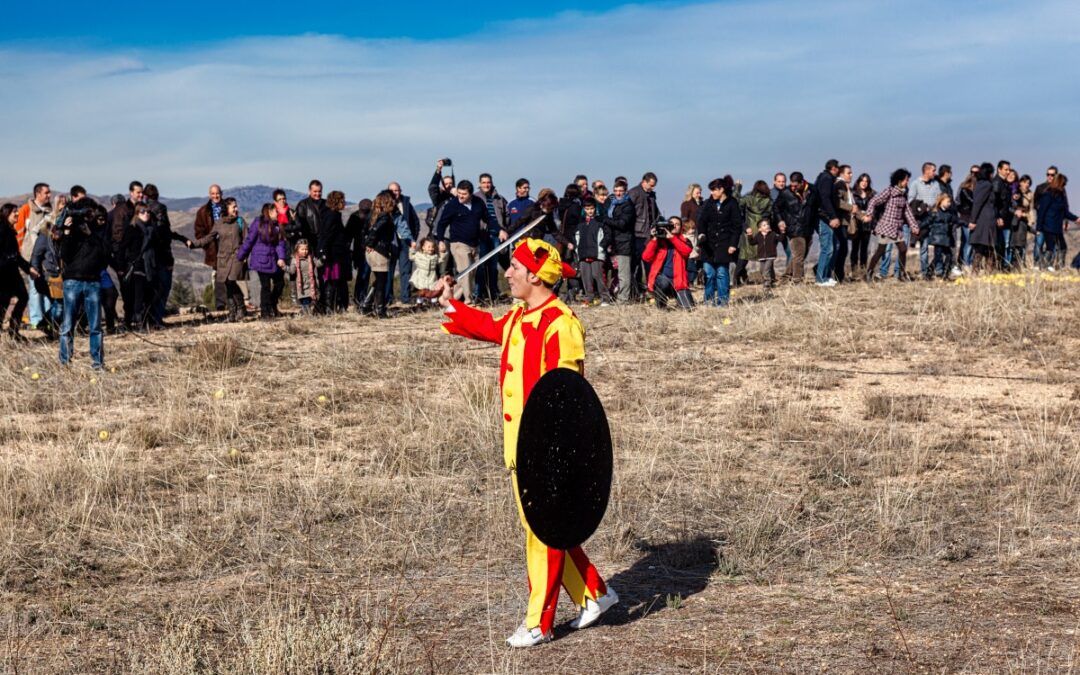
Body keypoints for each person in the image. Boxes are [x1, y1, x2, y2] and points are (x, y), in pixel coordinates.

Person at [435, 237, 617, 648]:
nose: (508, 273)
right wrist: (450, 303)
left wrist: (560, 452)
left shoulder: (561, 324)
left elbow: (569, 396)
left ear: (535, 275)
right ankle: (595, 594)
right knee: (542, 525)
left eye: (514, 267)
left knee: (542, 531)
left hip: (547, 448)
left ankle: (539, 621)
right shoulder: (519, 317)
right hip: (517, 443)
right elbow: (489, 327)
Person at [55, 194, 109, 368]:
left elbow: (104, 255)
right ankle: (64, 362)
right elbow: (64, 255)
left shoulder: (99, 232)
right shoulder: (73, 231)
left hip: (93, 281)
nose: (88, 217)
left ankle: (98, 363)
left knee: (95, 326)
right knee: (67, 325)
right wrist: (67, 232)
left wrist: (91, 233)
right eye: (86, 213)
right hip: (72, 281)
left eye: (90, 213)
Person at [435, 179, 498, 304]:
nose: (461, 196)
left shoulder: (478, 203)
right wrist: (440, 240)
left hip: (475, 244)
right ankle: (469, 302)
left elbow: (488, 218)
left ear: (470, 194)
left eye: (464, 194)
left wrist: (499, 230)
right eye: (459, 193)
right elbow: (441, 224)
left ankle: (448, 300)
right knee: (466, 273)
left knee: (468, 276)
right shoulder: (452, 205)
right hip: (459, 244)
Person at [188, 197, 248, 322]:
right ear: (226, 209)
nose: (236, 209)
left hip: (237, 257)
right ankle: (232, 313)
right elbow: (208, 238)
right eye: (233, 207)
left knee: (231, 281)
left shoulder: (240, 222)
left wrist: (245, 255)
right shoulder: (219, 223)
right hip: (223, 259)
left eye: (236, 206)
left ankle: (241, 309)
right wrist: (194, 244)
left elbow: (247, 240)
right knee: (227, 284)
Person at [864, 169, 919, 281]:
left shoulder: (904, 194)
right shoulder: (889, 191)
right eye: (906, 180)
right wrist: (869, 214)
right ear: (899, 180)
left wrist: (914, 226)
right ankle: (869, 273)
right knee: (881, 250)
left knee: (903, 249)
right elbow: (874, 201)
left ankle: (901, 274)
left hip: (897, 228)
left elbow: (907, 211)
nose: (907, 182)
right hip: (886, 226)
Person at [238, 203, 287, 320]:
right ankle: (265, 313)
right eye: (276, 212)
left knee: (280, 283)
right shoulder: (258, 224)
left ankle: (271, 304)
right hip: (260, 260)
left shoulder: (277, 226)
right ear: (269, 212)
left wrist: (281, 257)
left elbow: (280, 243)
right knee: (265, 286)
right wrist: (241, 256)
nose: (278, 214)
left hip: (273, 260)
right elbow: (249, 240)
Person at [697, 177, 741, 306]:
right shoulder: (708, 203)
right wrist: (701, 234)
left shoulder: (732, 203)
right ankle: (708, 302)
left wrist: (733, 244)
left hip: (725, 244)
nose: (711, 193)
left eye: (714, 190)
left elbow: (737, 226)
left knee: (722, 273)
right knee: (709, 274)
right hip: (708, 245)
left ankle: (722, 303)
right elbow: (702, 221)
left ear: (721, 190)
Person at [17, 183, 53, 331]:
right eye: (46, 193)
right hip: (30, 255)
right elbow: (19, 231)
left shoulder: (50, 210)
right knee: (34, 288)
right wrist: (21, 253)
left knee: (48, 288)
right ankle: (36, 320)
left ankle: (49, 319)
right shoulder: (26, 209)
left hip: (48, 256)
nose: (49, 195)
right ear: (38, 193)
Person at [1, 203, 38, 340]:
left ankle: (13, 331)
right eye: (14, 212)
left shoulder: (9, 230)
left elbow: (15, 255)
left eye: (17, 211)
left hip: (12, 273)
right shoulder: (2, 229)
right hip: (4, 274)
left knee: (22, 297)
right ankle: (11, 333)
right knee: (3, 304)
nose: (17, 214)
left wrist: (29, 269)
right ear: (6, 214)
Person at [117, 205, 156, 331]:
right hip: (135, 266)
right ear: (137, 214)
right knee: (134, 297)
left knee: (146, 296)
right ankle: (133, 323)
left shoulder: (151, 230)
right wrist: (121, 266)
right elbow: (122, 248)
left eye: (148, 211)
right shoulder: (132, 229)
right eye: (143, 212)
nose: (146, 214)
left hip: (148, 266)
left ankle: (142, 323)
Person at [773, 172, 816, 283]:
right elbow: (776, 207)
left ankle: (786, 277)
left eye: (795, 185)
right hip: (794, 228)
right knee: (799, 256)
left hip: (808, 228)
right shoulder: (785, 192)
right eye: (791, 184)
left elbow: (816, 208)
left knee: (801, 254)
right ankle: (797, 281)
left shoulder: (813, 190)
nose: (793, 187)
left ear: (802, 182)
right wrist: (780, 221)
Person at [642, 216, 693, 309]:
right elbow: (646, 257)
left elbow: (686, 251)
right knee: (663, 282)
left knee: (688, 308)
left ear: (681, 227)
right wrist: (654, 239)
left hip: (679, 281)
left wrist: (672, 238)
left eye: (677, 224)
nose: (674, 226)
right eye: (672, 224)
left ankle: (678, 299)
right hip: (663, 279)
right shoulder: (659, 241)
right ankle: (661, 305)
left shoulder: (685, 240)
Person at [474, 174, 509, 304]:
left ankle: (493, 293)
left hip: (497, 235)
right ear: (479, 183)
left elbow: (506, 216)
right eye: (483, 182)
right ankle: (478, 294)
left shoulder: (499, 199)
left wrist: (504, 230)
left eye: (488, 182)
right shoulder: (475, 198)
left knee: (494, 266)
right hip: (482, 235)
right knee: (481, 265)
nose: (486, 185)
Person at [385, 182, 422, 307]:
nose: (395, 193)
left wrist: (413, 238)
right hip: (390, 242)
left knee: (405, 270)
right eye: (393, 190)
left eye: (397, 190)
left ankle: (405, 298)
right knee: (388, 270)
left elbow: (415, 222)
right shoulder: (384, 204)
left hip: (405, 242)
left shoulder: (406, 203)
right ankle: (388, 298)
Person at [361, 190, 396, 318]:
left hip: (372, 252)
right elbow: (374, 231)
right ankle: (380, 310)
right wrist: (369, 243)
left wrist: (367, 244)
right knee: (382, 282)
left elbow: (365, 231)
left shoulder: (372, 215)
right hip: (380, 251)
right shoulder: (385, 217)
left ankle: (366, 305)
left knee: (378, 280)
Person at [316, 190, 349, 313]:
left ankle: (332, 306)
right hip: (333, 254)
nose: (344, 203)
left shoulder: (330, 214)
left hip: (333, 252)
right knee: (333, 279)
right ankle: (329, 307)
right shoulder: (332, 215)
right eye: (343, 200)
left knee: (335, 279)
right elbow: (327, 234)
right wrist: (323, 251)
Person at [194, 184, 227, 310]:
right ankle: (220, 304)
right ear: (209, 195)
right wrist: (207, 245)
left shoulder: (227, 207)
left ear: (221, 193)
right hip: (213, 247)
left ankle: (237, 301)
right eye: (213, 194)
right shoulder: (203, 211)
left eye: (217, 193)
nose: (215, 196)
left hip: (228, 245)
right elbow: (198, 232)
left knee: (232, 272)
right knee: (218, 275)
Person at [1035, 174, 1077, 270]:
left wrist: (1076, 218)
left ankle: (1059, 266)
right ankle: (1042, 265)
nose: (1064, 186)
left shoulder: (1061, 196)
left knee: (1062, 247)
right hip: (1048, 226)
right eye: (1063, 184)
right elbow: (1041, 212)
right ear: (1059, 183)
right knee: (1050, 248)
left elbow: (1065, 212)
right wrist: (1038, 228)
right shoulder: (1047, 195)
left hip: (1057, 227)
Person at [628, 172, 660, 299]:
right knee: (635, 265)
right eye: (651, 185)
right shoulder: (634, 193)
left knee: (649, 264)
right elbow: (629, 213)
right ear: (644, 181)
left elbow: (654, 212)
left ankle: (650, 289)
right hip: (637, 234)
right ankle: (635, 292)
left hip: (649, 234)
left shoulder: (651, 195)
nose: (652, 188)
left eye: (654, 186)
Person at [576, 198, 611, 306]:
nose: (590, 211)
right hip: (583, 253)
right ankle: (589, 298)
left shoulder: (600, 221)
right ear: (584, 209)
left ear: (595, 208)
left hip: (597, 253)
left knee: (598, 275)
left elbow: (608, 235)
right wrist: (577, 249)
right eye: (587, 209)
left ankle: (605, 298)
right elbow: (576, 236)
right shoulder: (580, 223)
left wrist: (602, 247)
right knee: (586, 277)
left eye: (592, 208)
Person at [606, 180, 636, 303]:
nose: (618, 193)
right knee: (616, 272)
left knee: (624, 273)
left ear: (625, 192)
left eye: (621, 191)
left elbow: (623, 224)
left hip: (624, 242)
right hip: (614, 242)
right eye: (616, 191)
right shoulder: (613, 204)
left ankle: (623, 299)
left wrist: (606, 220)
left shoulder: (628, 205)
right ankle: (617, 295)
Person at [737, 180, 772, 286]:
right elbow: (770, 215)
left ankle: (736, 280)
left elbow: (736, 203)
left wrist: (737, 188)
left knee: (743, 258)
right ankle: (768, 280)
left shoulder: (748, 199)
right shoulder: (768, 201)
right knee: (767, 257)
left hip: (749, 231)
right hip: (763, 231)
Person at [813, 159, 842, 287]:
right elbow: (824, 199)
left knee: (835, 246)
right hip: (824, 218)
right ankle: (820, 279)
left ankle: (825, 276)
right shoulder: (827, 179)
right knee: (827, 248)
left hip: (825, 217)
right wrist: (832, 217)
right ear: (834, 168)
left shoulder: (824, 178)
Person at [968, 163, 1000, 272]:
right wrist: (973, 220)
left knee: (985, 248)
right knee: (984, 247)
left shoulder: (979, 184)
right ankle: (981, 272)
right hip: (985, 220)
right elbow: (978, 203)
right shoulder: (986, 185)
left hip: (984, 219)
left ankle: (983, 272)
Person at [346, 199, 373, 310]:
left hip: (366, 250)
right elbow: (348, 235)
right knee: (363, 275)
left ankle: (361, 298)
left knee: (363, 275)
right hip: (360, 250)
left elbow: (348, 235)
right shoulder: (355, 217)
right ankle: (359, 298)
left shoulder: (356, 216)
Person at [924, 194, 958, 280]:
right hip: (937, 239)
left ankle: (945, 275)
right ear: (941, 201)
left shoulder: (949, 213)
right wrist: (917, 227)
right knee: (938, 257)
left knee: (949, 256)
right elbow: (927, 221)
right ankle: (929, 273)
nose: (949, 203)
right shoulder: (935, 212)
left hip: (945, 239)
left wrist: (966, 223)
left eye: (950, 202)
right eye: (948, 201)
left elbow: (957, 220)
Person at [849, 173, 875, 280]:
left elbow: (875, 208)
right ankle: (854, 271)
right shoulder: (852, 193)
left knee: (864, 249)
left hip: (867, 225)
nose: (864, 183)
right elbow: (852, 208)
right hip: (856, 224)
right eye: (862, 181)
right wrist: (861, 216)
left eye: (866, 181)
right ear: (858, 181)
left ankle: (863, 271)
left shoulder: (872, 194)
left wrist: (872, 218)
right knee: (855, 248)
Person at [832, 165, 855, 282]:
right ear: (841, 174)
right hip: (840, 221)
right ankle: (838, 276)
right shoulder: (839, 184)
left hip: (844, 221)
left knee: (842, 248)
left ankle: (838, 275)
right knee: (841, 249)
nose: (851, 175)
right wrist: (850, 208)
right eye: (848, 173)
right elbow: (838, 202)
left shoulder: (845, 186)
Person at [954, 167, 978, 273]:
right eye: (972, 172)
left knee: (970, 243)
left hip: (974, 218)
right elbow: (958, 202)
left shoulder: (978, 188)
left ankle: (967, 263)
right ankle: (965, 264)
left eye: (976, 173)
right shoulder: (964, 189)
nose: (974, 175)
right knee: (967, 242)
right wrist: (962, 214)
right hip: (966, 218)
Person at [409, 237, 445, 304]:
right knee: (422, 290)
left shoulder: (435, 257)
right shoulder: (419, 255)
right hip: (421, 275)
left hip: (432, 276)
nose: (431, 248)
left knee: (432, 289)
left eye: (432, 247)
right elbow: (411, 257)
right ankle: (419, 303)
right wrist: (412, 248)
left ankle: (433, 303)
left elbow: (440, 260)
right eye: (429, 247)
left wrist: (442, 252)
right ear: (423, 247)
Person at [288, 240, 318, 315]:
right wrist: (284, 267)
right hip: (301, 286)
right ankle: (306, 314)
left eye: (306, 249)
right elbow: (292, 271)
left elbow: (317, 264)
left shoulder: (311, 258)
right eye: (302, 249)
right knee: (304, 301)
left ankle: (306, 313)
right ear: (297, 249)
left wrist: (322, 260)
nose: (305, 251)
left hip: (310, 284)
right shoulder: (294, 260)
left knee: (309, 300)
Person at [1011, 175, 1035, 268]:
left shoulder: (1030, 194)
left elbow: (1031, 208)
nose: (1027, 185)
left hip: (1025, 219)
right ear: (1020, 182)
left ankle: (1021, 264)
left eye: (1028, 183)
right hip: (1015, 219)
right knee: (1015, 244)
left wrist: (1031, 221)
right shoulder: (1016, 191)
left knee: (1023, 243)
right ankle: (1014, 264)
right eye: (1025, 182)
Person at [295, 180, 326, 250]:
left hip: (324, 242)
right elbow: (299, 225)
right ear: (310, 191)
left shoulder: (326, 204)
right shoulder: (303, 205)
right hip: (309, 243)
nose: (318, 193)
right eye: (315, 191)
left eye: (319, 191)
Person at [752, 217, 779, 288]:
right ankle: (772, 281)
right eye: (764, 225)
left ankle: (767, 284)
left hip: (770, 256)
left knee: (766, 270)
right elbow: (752, 242)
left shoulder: (772, 234)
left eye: (767, 224)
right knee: (762, 270)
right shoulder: (758, 235)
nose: (767, 226)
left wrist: (782, 233)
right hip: (761, 256)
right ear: (760, 229)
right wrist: (749, 236)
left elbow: (779, 239)